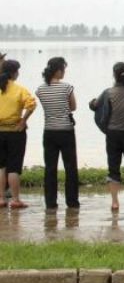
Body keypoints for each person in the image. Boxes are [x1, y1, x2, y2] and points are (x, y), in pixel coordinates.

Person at [90, 62, 124, 212]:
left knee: (113, 167)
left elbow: (95, 106)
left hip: (113, 133)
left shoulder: (108, 92)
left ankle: (115, 202)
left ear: (114, 75)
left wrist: (91, 102)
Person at [35, 57, 79, 209]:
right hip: (66, 131)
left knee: (50, 168)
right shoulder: (67, 87)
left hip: (49, 131)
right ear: (59, 70)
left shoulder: (40, 89)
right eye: (64, 70)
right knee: (70, 167)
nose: (64, 72)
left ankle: (50, 202)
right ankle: (72, 202)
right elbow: (73, 107)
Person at [0, 59, 36, 209]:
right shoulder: (19, 89)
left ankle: (1, 198)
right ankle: (15, 199)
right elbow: (32, 104)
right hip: (15, 132)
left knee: (1, 167)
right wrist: (23, 120)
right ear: (14, 73)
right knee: (14, 167)